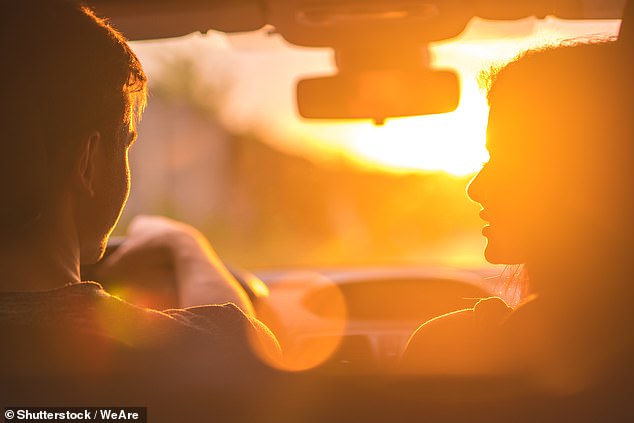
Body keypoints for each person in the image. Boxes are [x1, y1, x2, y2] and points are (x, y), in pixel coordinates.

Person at [0, 0, 280, 409]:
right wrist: (185, 244)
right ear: (88, 162)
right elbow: (255, 344)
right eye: (126, 145)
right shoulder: (206, 353)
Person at [401, 40, 634, 395]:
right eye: (486, 161)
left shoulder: (455, 349)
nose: (475, 188)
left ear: (597, 171)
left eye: (505, 162)